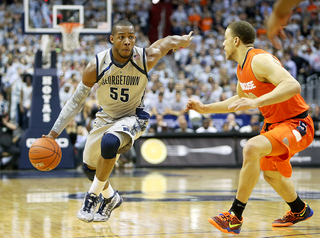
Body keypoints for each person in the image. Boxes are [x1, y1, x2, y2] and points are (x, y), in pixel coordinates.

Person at [43, 20, 194, 223]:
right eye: (122, 37)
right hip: (106, 117)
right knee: (89, 168)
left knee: (110, 142)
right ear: (112, 39)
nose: (127, 41)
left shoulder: (144, 58)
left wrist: (182, 40)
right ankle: (110, 197)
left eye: (131, 37)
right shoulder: (96, 65)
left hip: (133, 116)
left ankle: (91, 197)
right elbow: (76, 102)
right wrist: (54, 133)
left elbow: (166, 41)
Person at [185, 21, 314, 234]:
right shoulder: (241, 68)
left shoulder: (259, 60)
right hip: (275, 125)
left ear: (236, 40)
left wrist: (256, 102)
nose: (223, 44)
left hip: (297, 123)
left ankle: (234, 216)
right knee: (271, 174)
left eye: (225, 39)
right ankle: (299, 209)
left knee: (252, 147)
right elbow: (238, 99)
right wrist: (205, 108)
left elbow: (293, 85)